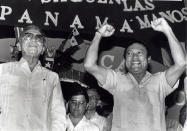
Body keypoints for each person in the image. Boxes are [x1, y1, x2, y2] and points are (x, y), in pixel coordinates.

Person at [84, 18, 186, 131]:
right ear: (125, 60)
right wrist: (98, 35)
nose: (135, 57)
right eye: (130, 53)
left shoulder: (160, 81)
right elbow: (89, 65)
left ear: (148, 59)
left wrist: (167, 30)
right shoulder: (116, 80)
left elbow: (181, 64)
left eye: (139, 53)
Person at [0, 25, 66, 131]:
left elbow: (58, 115)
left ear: (43, 49)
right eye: (28, 37)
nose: (34, 40)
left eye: (38, 38)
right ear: (19, 46)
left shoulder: (52, 77)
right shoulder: (3, 70)